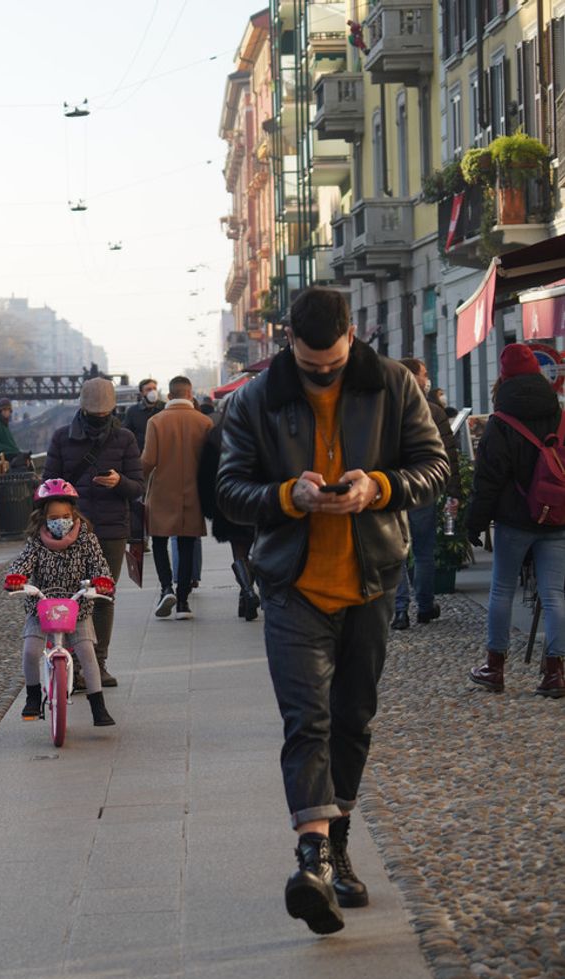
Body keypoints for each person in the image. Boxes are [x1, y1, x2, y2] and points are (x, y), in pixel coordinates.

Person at [217, 287, 447, 935]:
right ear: (289, 341)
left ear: (353, 335)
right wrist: (290, 495)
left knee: (352, 720)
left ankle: (336, 844)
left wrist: (381, 486)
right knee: (306, 720)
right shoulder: (255, 400)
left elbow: (435, 467)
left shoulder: (394, 386)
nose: (323, 370)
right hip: (292, 585)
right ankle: (313, 858)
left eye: (333, 360)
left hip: (372, 580)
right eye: (310, 362)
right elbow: (230, 490)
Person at [466, 345, 565, 699]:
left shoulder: (501, 422)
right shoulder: (560, 415)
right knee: (554, 594)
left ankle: (494, 667)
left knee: (502, 589)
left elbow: (487, 480)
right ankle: (555, 672)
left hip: (513, 520)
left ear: (503, 377)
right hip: (556, 517)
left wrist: (473, 523)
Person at [42, 377, 143, 687]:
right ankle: (73, 661)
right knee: (71, 596)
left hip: (112, 529)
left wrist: (119, 482)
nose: (99, 418)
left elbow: (138, 487)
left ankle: (98, 664)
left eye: (103, 414)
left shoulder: (125, 439)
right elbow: (48, 485)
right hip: (72, 528)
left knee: (102, 596)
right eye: (95, 413)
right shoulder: (62, 439)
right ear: (83, 409)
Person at [5, 479, 115, 727]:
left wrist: (102, 581)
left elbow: (99, 565)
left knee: (87, 653)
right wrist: (17, 578)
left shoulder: (87, 539)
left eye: (65, 515)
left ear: (73, 513)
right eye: (54, 516)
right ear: (43, 517)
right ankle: (33, 697)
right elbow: (22, 562)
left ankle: (98, 705)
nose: (60, 521)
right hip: (41, 607)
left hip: (76, 607)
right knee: (31, 651)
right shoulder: (35, 541)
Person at [392, 358, 462, 630]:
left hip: (395, 488)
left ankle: (400, 612)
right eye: (424, 374)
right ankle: (424, 606)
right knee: (423, 551)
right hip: (423, 487)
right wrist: (453, 491)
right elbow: (448, 455)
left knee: (397, 553)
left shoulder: (386, 409)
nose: (427, 379)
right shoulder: (433, 410)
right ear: (413, 377)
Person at [142, 376, 213, 620]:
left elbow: (148, 460)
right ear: (190, 394)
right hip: (193, 493)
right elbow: (211, 462)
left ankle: (165, 588)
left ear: (169, 396)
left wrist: (138, 482)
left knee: (160, 542)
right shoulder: (204, 422)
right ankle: (183, 602)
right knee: (186, 545)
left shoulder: (156, 421)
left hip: (162, 490)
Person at [198, 399, 260, 621]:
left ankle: (247, 593)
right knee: (259, 548)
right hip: (257, 500)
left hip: (229, 501)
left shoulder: (216, 435)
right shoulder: (259, 430)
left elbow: (205, 475)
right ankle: (248, 594)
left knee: (239, 550)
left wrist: (209, 506)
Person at [123, 378, 164, 452]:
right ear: (141, 393)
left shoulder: (165, 408)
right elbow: (127, 433)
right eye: (148, 389)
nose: (153, 392)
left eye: (154, 388)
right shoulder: (133, 411)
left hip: (162, 452)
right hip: (141, 452)